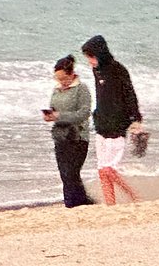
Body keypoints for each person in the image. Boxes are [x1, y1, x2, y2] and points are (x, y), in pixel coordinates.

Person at [81, 34, 144, 205]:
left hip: (118, 123)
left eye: (91, 57)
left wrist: (136, 119)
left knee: (109, 169)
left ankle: (134, 196)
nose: (90, 62)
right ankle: (111, 203)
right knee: (102, 170)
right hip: (101, 122)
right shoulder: (97, 70)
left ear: (99, 53)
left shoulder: (118, 70)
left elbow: (130, 94)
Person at [42, 54, 94, 208]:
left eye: (64, 78)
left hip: (77, 136)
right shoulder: (56, 90)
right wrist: (51, 115)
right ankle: (75, 203)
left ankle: (76, 203)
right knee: (64, 173)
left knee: (71, 172)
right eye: (58, 79)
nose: (61, 82)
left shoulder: (81, 89)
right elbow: (55, 109)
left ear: (72, 74)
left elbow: (84, 113)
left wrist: (60, 116)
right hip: (60, 136)